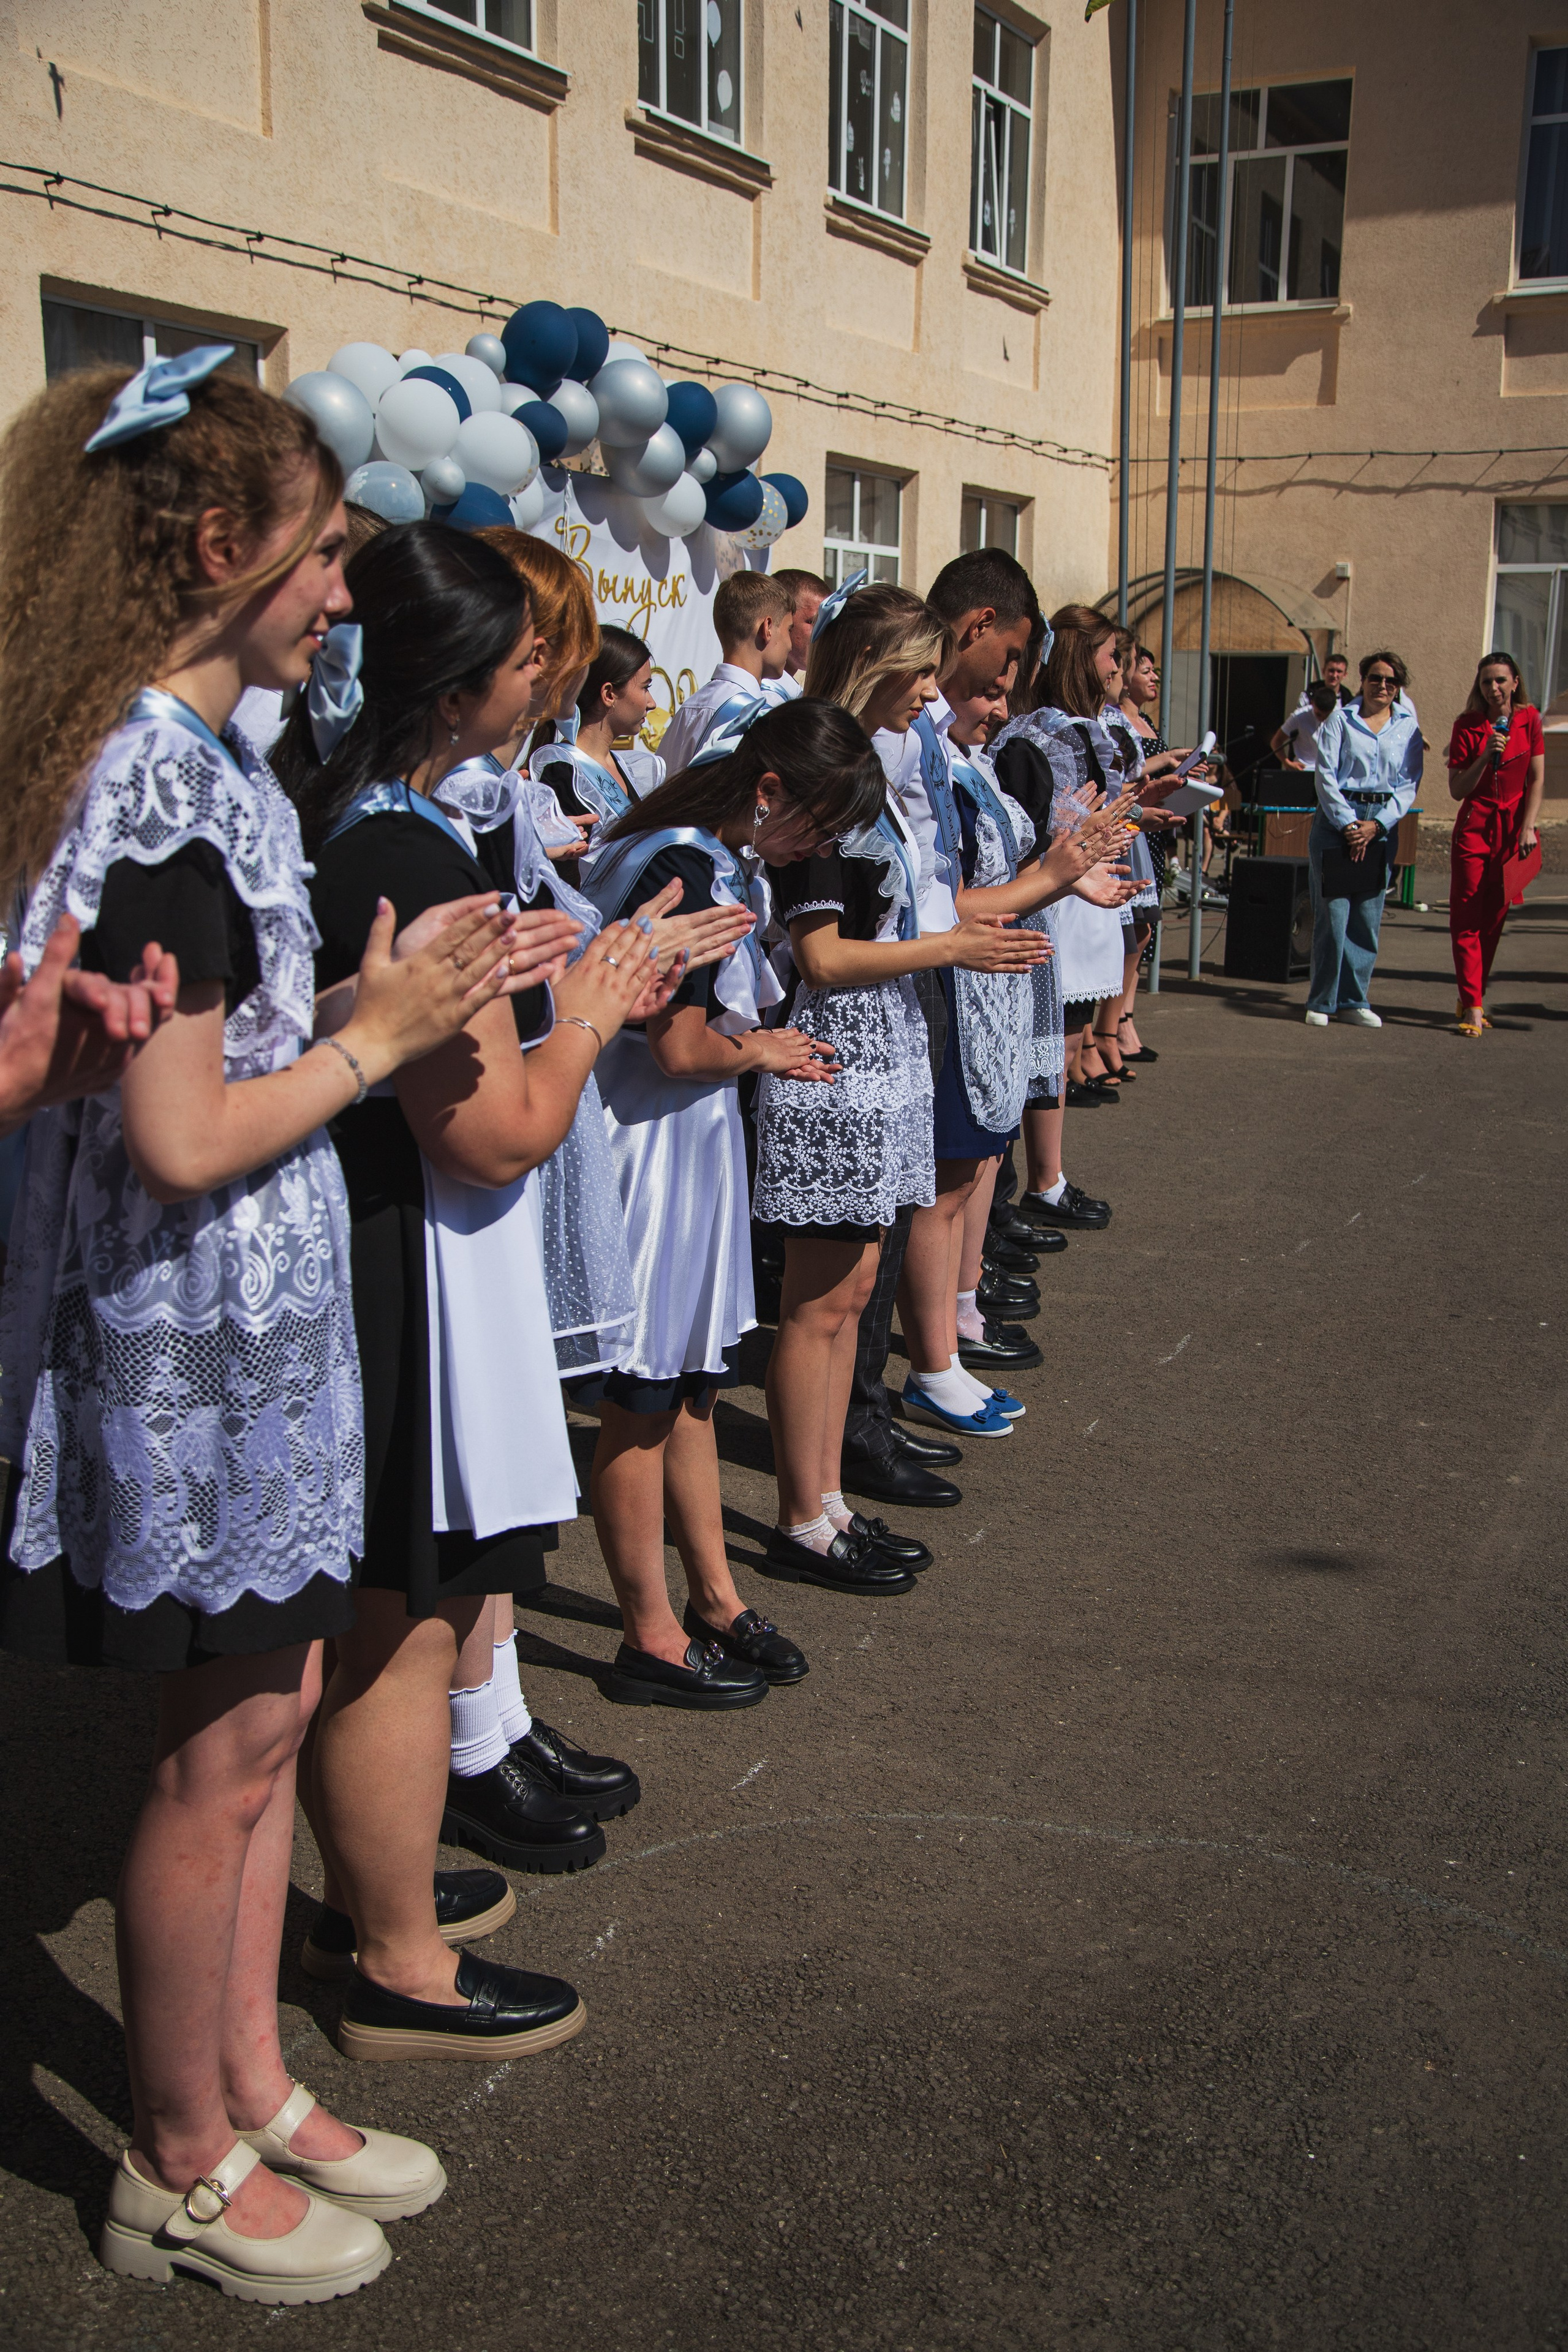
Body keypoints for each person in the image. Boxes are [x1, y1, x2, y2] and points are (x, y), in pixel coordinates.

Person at [0, 353, 541, 2300]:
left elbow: (224, 1056)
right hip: (186, 1344)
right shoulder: (157, 781)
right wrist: (376, 1038)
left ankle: (244, 2078)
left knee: (276, 1711)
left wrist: (370, 1000)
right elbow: (178, 1126)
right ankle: (172, 2154)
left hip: (256, 1328)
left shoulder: (214, 765)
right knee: (221, 1750)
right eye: (323, 555)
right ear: (223, 552)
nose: (344, 595)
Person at [278, 519, 666, 2041]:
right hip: (413, 1262)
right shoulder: (412, 855)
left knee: (400, 1606)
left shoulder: (350, 812)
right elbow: (496, 1133)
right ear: (454, 686)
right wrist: (589, 1008)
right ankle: (392, 1957)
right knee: (408, 1619)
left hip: (392, 1239)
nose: (538, 686)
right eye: (520, 661)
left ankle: (375, 1888)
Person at [580, 701, 875, 1702]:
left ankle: (713, 1596)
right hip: (654, 1148)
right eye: (818, 824)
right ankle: (650, 1634)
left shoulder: (692, 847)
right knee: (645, 1398)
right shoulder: (692, 866)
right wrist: (767, 1050)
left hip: (685, 1140)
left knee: (694, 1387)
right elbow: (676, 1045)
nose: (819, 849)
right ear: (769, 792)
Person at [992, 606, 1173, 1232]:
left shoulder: (1084, 727)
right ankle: (1033, 1182)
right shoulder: (1047, 733)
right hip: (1058, 898)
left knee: (1062, 1039)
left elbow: (1093, 811)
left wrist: (1130, 815)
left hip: (1085, 886)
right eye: (1108, 656)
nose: (1118, 669)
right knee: (1044, 1040)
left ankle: (1045, 1177)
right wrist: (1099, 825)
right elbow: (1050, 822)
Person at [1305, 649, 1423, 1028]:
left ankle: (1355, 1000)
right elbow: (1325, 776)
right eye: (1375, 678)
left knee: (1367, 916)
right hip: (1339, 819)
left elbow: (1408, 785)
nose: (1383, 686)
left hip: (1381, 823)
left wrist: (1378, 826)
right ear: (1363, 680)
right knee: (1333, 914)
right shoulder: (1341, 720)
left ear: (1399, 687)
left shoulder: (1408, 728)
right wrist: (1349, 825)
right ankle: (1322, 1001)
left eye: (1391, 681)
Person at [1446, 649, 1545, 1035]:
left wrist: (1529, 826)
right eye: (1487, 681)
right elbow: (1457, 790)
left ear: (1515, 682)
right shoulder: (1467, 726)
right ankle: (1472, 1007)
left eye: (1501, 680)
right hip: (1475, 827)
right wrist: (1486, 754)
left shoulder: (1530, 719)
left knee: (1494, 919)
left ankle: (1472, 993)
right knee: (1467, 916)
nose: (1493, 688)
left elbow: (1536, 779)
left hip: (1513, 830)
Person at [656, 570, 794, 774]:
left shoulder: (690, 708)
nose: (790, 645)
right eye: (789, 630)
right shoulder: (753, 718)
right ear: (768, 628)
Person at [1112, 635, 1178, 1063]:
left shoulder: (1147, 721)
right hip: (1129, 820)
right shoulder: (1114, 718)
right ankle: (1113, 1028)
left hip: (1147, 823)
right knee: (1129, 928)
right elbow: (1127, 773)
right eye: (1143, 669)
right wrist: (1167, 760)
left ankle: (1125, 1020)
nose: (1151, 677)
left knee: (1143, 928)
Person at [774, 567, 829, 681]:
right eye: (813, 622)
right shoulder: (766, 695)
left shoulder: (791, 692)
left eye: (828, 623)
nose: (824, 632)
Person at [1273, 678, 1339, 771]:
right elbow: (1276, 741)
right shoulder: (1300, 716)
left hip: (1328, 771)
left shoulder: (1338, 718)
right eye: (1319, 714)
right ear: (1312, 704)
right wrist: (1287, 763)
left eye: (1326, 716)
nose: (1322, 719)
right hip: (1304, 769)